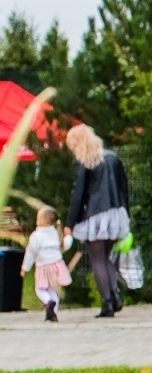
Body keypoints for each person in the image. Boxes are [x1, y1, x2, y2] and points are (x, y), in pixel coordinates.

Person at [64, 124, 130, 318]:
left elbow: (79, 195)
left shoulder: (84, 161)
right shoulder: (113, 158)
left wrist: (70, 223)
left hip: (95, 214)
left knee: (97, 259)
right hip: (116, 213)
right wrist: (126, 213)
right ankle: (115, 296)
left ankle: (107, 303)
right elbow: (123, 188)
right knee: (106, 257)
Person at [21, 205, 72, 322]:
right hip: (57, 265)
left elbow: (30, 253)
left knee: (40, 289)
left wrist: (25, 268)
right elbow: (66, 244)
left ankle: (48, 302)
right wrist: (69, 236)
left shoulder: (36, 236)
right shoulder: (57, 233)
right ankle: (52, 313)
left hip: (43, 267)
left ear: (42, 221)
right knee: (52, 290)